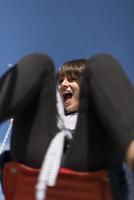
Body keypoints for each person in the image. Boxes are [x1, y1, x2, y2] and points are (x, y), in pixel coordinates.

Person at [0, 52, 134, 200]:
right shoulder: (45, 118)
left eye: (72, 79)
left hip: (92, 165)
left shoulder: (106, 118)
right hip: (38, 164)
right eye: (60, 81)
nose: (63, 84)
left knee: (102, 64)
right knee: (39, 62)